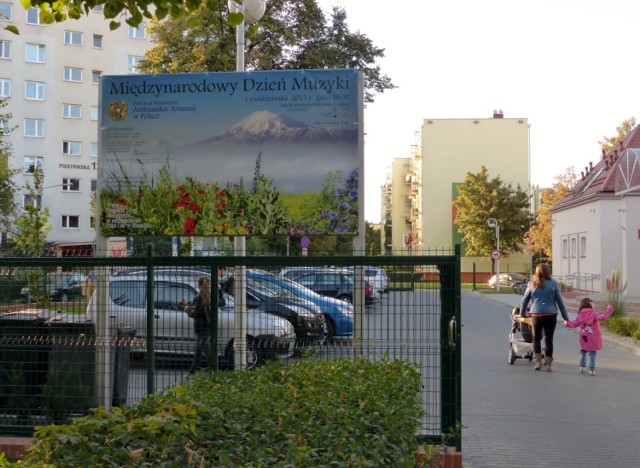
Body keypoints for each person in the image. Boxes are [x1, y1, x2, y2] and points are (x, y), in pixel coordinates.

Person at [519, 263, 569, 372]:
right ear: (548, 271)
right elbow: (560, 302)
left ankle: (537, 362)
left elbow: (524, 301)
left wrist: (522, 313)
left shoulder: (532, 285)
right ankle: (548, 364)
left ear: (536, 272)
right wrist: (566, 317)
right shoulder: (554, 284)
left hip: (536, 315)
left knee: (536, 338)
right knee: (548, 339)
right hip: (551, 314)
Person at [182, 276, 225, 374]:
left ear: (199, 285)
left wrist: (186, 308)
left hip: (201, 328)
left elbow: (194, 313)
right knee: (200, 350)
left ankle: (215, 372)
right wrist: (219, 291)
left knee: (206, 352)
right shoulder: (212, 296)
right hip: (210, 327)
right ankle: (192, 372)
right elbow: (222, 303)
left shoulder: (198, 298)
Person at [565, 298, 614, 376]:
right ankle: (592, 369)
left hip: (584, 337)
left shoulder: (580, 314)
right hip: (593, 338)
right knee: (592, 353)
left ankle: (582, 366)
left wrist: (567, 323)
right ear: (590, 304)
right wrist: (609, 309)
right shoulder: (594, 313)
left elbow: (575, 323)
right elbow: (602, 318)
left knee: (583, 351)